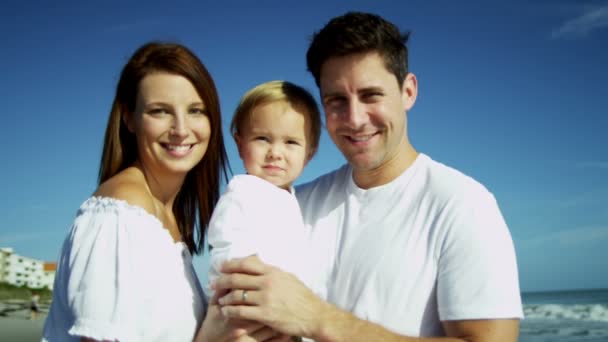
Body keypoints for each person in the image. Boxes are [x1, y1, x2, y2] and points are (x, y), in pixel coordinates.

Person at [212, 12, 524, 341]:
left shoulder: (463, 205)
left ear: (408, 91)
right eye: (336, 101)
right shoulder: (292, 205)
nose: (355, 118)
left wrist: (318, 318)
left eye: (371, 95)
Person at [41, 42, 284, 342]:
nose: (181, 129)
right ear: (129, 119)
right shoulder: (119, 214)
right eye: (160, 111)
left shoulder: (161, 216)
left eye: (196, 110)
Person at [205, 80, 324, 304]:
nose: (275, 153)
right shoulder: (243, 192)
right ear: (240, 145)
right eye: (262, 139)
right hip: (245, 308)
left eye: (290, 142)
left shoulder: (291, 200)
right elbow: (228, 248)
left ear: (309, 154)